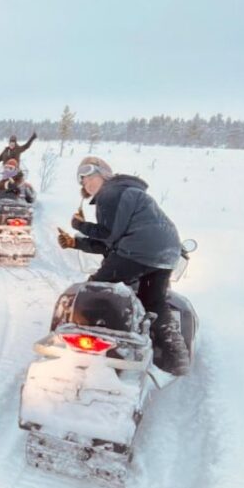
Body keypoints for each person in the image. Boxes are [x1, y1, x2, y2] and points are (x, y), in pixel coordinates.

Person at [57, 156, 190, 375]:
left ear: (104, 174)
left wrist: (79, 225)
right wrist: (75, 242)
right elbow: (113, 242)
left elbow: (108, 234)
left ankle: (88, 351)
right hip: (166, 252)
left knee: (95, 291)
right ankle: (175, 357)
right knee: (153, 302)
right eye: (82, 180)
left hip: (139, 249)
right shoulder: (129, 192)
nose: (86, 183)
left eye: (90, 176)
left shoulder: (111, 192)